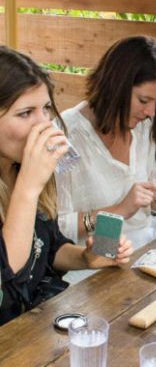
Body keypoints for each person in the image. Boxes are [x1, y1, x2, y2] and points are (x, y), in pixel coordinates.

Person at [0, 46, 133, 326]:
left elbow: (48, 247)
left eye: (46, 108)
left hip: (42, 323)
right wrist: (27, 189)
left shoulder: (19, 167)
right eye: (25, 113)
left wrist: (88, 257)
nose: (44, 124)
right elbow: (6, 283)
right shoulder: (28, 179)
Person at [56, 36, 156, 250]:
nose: (151, 113)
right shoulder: (65, 138)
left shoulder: (142, 127)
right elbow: (58, 228)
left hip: (145, 247)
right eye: (143, 101)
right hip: (92, 262)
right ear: (115, 86)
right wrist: (118, 211)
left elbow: (139, 211)